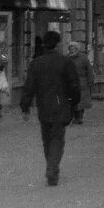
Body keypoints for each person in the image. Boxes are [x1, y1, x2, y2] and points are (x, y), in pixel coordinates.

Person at [20, 29, 81, 187]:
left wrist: (25, 107)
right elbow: (74, 85)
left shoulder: (36, 63)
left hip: (44, 106)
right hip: (62, 105)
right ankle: (52, 167)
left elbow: (29, 87)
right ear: (58, 44)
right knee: (57, 138)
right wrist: (75, 104)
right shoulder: (65, 62)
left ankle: (51, 166)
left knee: (47, 139)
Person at [66, 42, 94, 124]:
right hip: (70, 82)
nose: (72, 50)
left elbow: (89, 70)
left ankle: (79, 117)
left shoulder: (83, 58)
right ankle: (73, 117)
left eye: (74, 48)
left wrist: (90, 80)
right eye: (70, 48)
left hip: (82, 82)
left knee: (81, 100)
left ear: (77, 49)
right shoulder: (66, 58)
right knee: (71, 100)